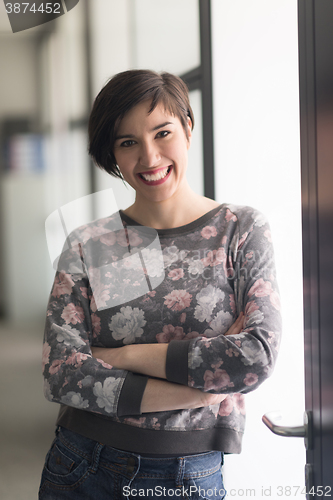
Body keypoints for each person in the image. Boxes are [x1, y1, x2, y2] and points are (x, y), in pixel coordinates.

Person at [39, 70, 281, 500]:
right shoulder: (89, 244)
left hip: (190, 477)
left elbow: (254, 358)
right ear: (111, 153)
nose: (149, 158)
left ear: (188, 127)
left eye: (162, 133)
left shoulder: (239, 230)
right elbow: (62, 373)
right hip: (82, 467)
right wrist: (201, 394)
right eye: (127, 142)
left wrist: (122, 355)